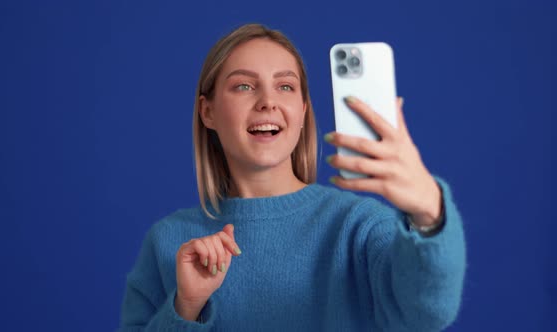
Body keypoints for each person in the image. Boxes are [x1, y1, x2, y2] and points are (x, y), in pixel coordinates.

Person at [117, 23, 466, 332]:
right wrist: (186, 308)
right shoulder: (168, 242)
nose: (268, 101)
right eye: (243, 86)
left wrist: (429, 213)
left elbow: (427, 314)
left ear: (302, 111)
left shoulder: (359, 226)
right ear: (207, 111)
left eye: (285, 87)